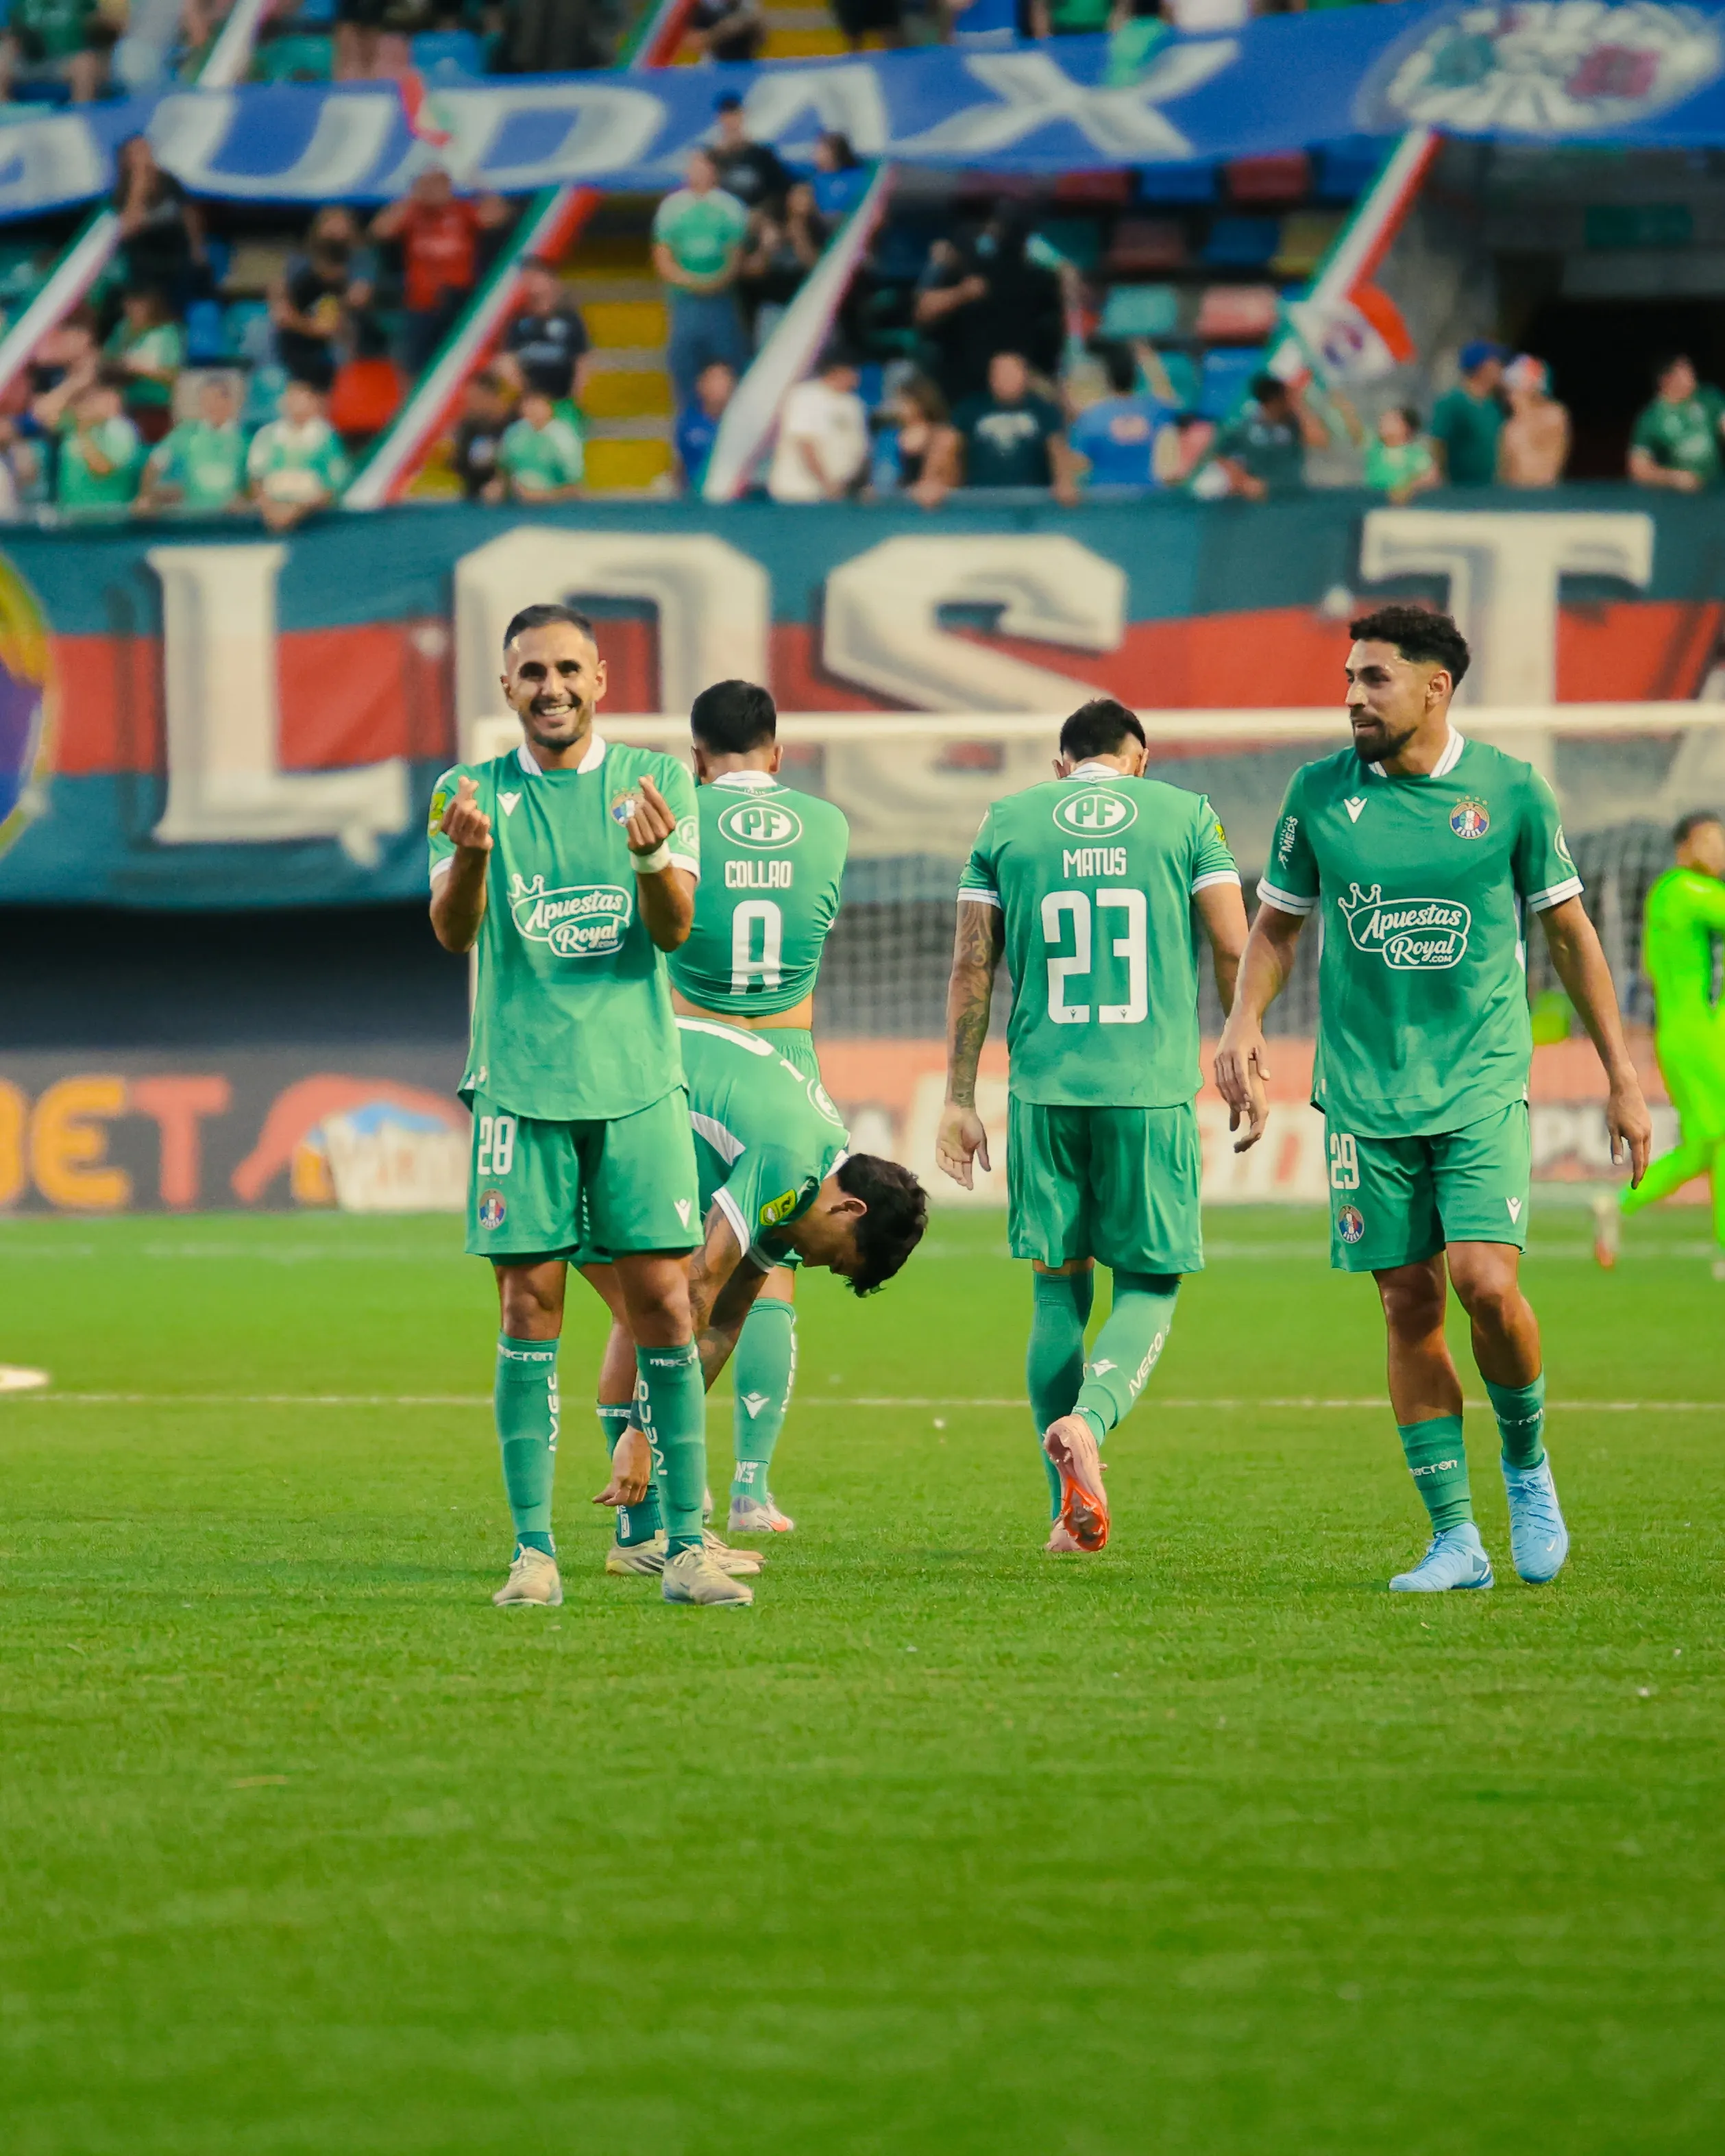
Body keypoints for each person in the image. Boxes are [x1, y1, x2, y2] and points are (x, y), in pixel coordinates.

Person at [1215, 605, 1652, 1593]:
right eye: (1348, 676)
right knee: (1406, 1302)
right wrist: (1242, 1021)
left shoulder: (1509, 791)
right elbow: (1277, 927)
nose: (1351, 696)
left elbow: (1573, 936)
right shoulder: (1318, 793)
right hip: (1364, 1093)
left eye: (1373, 678)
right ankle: (1455, 1537)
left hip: (1479, 1080)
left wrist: (1624, 1077)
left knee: (1485, 1285)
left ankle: (1528, 1466)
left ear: (1433, 687)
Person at [427, 604, 734, 1611]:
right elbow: (452, 931)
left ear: (600, 677)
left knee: (666, 1305)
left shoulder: (657, 782)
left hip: (637, 1083)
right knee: (528, 1308)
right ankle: (533, 1554)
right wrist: (470, 853)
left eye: (567, 668)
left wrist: (650, 859)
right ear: (504, 687)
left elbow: (675, 926)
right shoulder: (466, 792)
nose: (550, 686)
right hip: (520, 1085)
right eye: (530, 673)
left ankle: (685, 1548)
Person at [936, 698, 1249, 1554]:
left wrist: (959, 1096)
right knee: (1148, 1286)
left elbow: (973, 961)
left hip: (1043, 1091)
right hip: (1148, 1090)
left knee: (1055, 1290)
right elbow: (1233, 942)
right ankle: (1090, 1424)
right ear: (1139, 759)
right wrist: (1241, 1048)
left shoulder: (1009, 819)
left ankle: (1063, 1514)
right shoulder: (1186, 814)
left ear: (1060, 764)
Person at [583, 1025, 927, 1573]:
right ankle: (645, 1533)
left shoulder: (808, 1176)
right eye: (836, 1260)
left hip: (619, 1092)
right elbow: (696, 1288)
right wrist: (644, 1433)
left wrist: (655, 1420)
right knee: (645, 1313)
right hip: (592, 1092)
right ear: (850, 1210)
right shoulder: (791, 1164)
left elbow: (724, 1319)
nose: (814, 1266)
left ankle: (655, 1531)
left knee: (651, 1317)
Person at [658, 678, 852, 1539]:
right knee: (766, 1267)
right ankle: (750, 1486)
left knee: (670, 1270)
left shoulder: (680, 815)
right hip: (787, 1055)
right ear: (778, 751)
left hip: (684, 1062)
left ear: (695, 756)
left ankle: (662, 1475)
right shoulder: (830, 826)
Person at [1602, 811, 1725, 1277]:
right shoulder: (1680, 891)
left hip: (1699, 1033)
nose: (1717, 850)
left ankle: (1621, 1205)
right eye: (1708, 841)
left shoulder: (1683, 895)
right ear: (1683, 848)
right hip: (1691, 1035)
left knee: (1712, 1142)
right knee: (1714, 1139)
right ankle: (1622, 1203)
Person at [371, 168, 509, 376]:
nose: (435, 190)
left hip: (459, 300)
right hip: (421, 303)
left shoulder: (462, 211)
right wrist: (411, 197)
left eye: (440, 184)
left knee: (462, 359)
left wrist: (479, 185)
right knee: (415, 363)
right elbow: (380, 230)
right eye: (429, 184)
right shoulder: (413, 213)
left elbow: (498, 216)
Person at [652, 149, 752, 413]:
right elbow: (663, 256)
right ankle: (689, 428)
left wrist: (715, 282)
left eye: (700, 165)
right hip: (685, 300)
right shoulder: (671, 207)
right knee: (684, 365)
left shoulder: (730, 207)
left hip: (720, 300)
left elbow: (735, 256)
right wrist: (690, 282)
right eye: (691, 165)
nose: (694, 171)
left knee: (728, 363)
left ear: (713, 170)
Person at [951, 350, 1079, 500]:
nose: (1007, 379)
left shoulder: (1044, 410)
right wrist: (933, 481)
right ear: (990, 378)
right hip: (981, 500)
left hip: (1032, 502)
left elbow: (1057, 448)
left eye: (1013, 373)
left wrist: (1065, 482)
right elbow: (947, 444)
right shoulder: (971, 409)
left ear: (1025, 376)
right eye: (1000, 373)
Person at [247, 377, 352, 530]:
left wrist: (296, 512)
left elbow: (333, 486)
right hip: (271, 520)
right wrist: (270, 510)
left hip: (314, 524)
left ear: (313, 402)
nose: (293, 403)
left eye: (300, 397)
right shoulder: (266, 436)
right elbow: (256, 478)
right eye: (290, 397)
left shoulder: (326, 439)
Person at [766, 350, 869, 503]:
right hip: (799, 494)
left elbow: (860, 449)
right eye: (853, 372)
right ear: (837, 372)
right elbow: (805, 445)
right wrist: (827, 484)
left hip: (839, 494)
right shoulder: (805, 397)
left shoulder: (853, 404)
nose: (857, 377)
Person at [138, 373, 247, 515]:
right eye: (206, 399)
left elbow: (254, 480)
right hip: (190, 518)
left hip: (231, 520)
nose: (210, 405)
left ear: (229, 403)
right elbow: (154, 464)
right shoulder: (185, 434)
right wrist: (146, 496)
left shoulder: (243, 440)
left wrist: (244, 500)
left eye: (216, 399)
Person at [1068, 341, 1173, 489]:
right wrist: (1150, 362)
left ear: (1107, 378)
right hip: (1145, 495)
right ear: (1136, 375)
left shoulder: (1092, 417)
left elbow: (1079, 464)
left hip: (1104, 497)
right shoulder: (1152, 409)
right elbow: (1168, 398)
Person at [737, 185, 828, 350]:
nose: (802, 202)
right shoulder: (768, 228)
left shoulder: (819, 229)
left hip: (810, 305)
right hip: (773, 307)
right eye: (798, 196)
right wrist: (767, 249)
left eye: (807, 197)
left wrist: (799, 233)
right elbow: (752, 272)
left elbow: (819, 269)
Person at [1211, 373, 1326, 500]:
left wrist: (1299, 406)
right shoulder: (1245, 426)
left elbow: (1319, 440)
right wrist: (1243, 481)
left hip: (1293, 493)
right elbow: (1220, 453)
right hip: (1262, 496)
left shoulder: (1293, 423)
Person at [496, 258, 590, 408]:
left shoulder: (570, 319)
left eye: (536, 277)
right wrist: (527, 395)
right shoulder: (518, 320)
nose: (532, 285)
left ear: (550, 280)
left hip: (563, 398)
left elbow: (582, 359)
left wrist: (575, 397)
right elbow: (507, 359)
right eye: (527, 279)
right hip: (531, 402)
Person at [1628, 354, 1725, 492]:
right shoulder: (1651, 418)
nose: (1692, 374)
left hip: (1717, 488)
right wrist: (1674, 478)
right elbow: (1638, 468)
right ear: (1666, 379)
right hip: (1675, 496)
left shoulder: (1709, 398)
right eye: (1684, 370)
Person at [270, 237, 354, 395]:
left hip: (324, 350)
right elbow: (282, 316)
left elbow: (325, 328)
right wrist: (304, 323)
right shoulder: (301, 280)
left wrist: (298, 322)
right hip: (293, 347)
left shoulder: (339, 285)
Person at [103, 288, 185, 444]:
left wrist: (142, 370)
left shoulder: (167, 333)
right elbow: (107, 359)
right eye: (129, 304)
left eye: (138, 305)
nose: (132, 309)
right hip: (124, 405)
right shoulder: (122, 328)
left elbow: (173, 375)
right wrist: (120, 366)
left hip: (155, 407)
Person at [56, 370, 143, 515]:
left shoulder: (122, 431)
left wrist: (82, 432)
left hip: (107, 518)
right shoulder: (73, 426)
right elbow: (43, 415)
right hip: (71, 517)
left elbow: (102, 470)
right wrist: (71, 386)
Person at [868, 371, 959, 507]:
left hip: (937, 510)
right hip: (897, 509)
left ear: (920, 402)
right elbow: (882, 476)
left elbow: (938, 480)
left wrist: (927, 487)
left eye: (903, 400)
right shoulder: (889, 438)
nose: (898, 406)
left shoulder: (944, 436)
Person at [1429, 341, 1506, 487]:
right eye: (1496, 363)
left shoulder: (1495, 405)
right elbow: (1437, 443)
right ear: (1482, 368)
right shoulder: (1453, 402)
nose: (1501, 368)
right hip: (1460, 491)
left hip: (1492, 491)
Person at [709, 90, 792, 215]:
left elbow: (780, 189)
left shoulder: (761, 154)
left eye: (734, 115)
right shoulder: (712, 157)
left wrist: (763, 212)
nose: (731, 121)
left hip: (758, 213)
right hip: (723, 215)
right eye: (727, 117)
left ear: (742, 116)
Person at [497, 387, 585, 501]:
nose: (532, 411)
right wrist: (499, 488)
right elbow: (503, 471)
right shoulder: (514, 433)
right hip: (517, 504)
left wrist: (543, 496)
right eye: (528, 406)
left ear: (549, 408)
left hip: (559, 506)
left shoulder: (563, 437)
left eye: (537, 406)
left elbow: (575, 487)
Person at [1497, 354, 1570, 487]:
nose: (1508, 397)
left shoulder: (1554, 415)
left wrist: (1525, 399)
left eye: (1512, 390)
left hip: (1543, 497)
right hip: (1514, 500)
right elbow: (1503, 473)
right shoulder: (1509, 428)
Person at [452, 370, 513, 503]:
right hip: (474, 501)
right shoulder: (468, 428)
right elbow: (462, 466)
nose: (470, 404)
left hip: (512, 501)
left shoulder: (516, 425)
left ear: (491, 396)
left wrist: (505, 483)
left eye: (476, 399)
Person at [674, 359, 734, 492]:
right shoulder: (689, 423)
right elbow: (681, 464)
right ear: (701, 385)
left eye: (724, 380)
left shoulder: (742, 424)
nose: (720, 386)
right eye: (714, 380)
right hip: (698, 494)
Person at [1362, 405, 1438, 502]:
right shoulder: (1374, 448)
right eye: (1384, 420)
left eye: (1392, 420)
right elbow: (1354, 428)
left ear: (1406, 427)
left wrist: (1408, 487)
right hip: (1372, 501)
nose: (1383, 423)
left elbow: (1432, 478)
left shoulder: (1416, 454)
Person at [682, 0, 766, 62]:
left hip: (744, 62)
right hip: (714, 62)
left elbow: (760, 35)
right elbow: (697, 41)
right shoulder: (702, 7)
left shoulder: (746, 5)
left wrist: (713, 36)